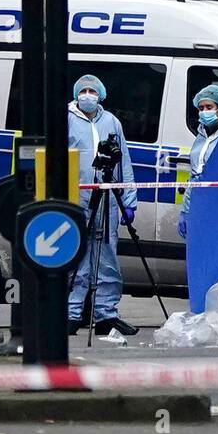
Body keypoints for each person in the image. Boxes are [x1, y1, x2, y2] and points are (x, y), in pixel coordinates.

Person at [67, 75, 138, 337]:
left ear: (101, 95)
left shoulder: (111, 121)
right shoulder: (68, 119)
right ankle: (72, 313)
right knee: (77, 254)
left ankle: (106, 314)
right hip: (76, 197)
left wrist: (128, 201)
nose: (87, 95)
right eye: (83, 90)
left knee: (106, 255)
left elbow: (123, 162)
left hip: (106, 197)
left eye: (92, 91)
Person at [177, 84, 218, 241]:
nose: (204, 112)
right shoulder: (202, 133)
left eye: (209, 107)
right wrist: (185, 210)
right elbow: (195, 177)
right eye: (201, 108)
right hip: (199, 202)